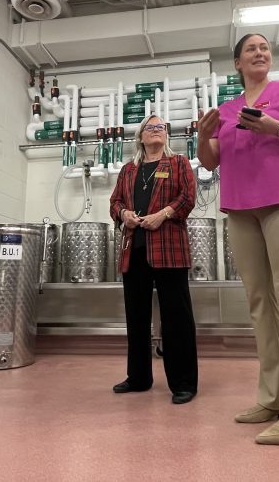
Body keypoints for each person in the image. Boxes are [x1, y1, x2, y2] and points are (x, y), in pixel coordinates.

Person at [196, 33, 279, 445]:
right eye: (251, 49)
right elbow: (210, 160)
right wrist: (202, 136)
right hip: (240, 207)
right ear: (237, 63)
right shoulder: (228, 109)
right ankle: (273, 399)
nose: (260, 53)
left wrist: (277, 127)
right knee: (259, 302)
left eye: (265, 48)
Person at [109, 114, 198, 404]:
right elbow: (115, 202)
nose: (157, 130)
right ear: (141, 136)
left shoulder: (179, 163)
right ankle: (138, 377)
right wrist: (124, 215)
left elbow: (188, 197)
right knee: (136, 318)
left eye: (161, 127)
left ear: (167, 135)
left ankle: (183, 383)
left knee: (177, 318)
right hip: (134, 250)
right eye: (151, 127)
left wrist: (163, 214)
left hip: (169, 249)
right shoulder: (128, 170)